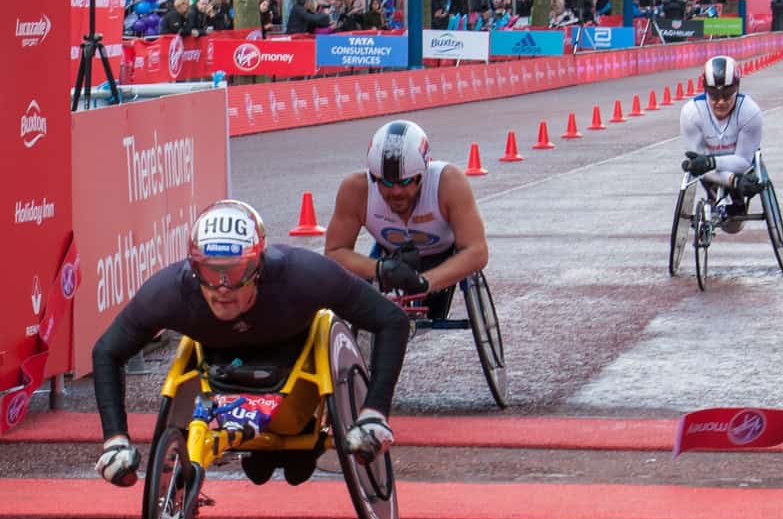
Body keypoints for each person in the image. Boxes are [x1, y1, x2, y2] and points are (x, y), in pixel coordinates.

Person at [92, 200, 410, 488]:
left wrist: (374, 412)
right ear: (193, 267)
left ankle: (294, 444)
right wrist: (115, 439)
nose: (222, 288)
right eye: (209, 272)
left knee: (295, 463)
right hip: (220, 366)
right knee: (260, 469)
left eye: (235, 272)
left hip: (295, 367)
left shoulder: (303, 275)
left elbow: (391, 320)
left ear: (257, 265)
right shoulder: (170, 292)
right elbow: (107, 351)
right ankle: (260, 449)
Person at [324, 120, 489, 323]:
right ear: (374, 176)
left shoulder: (449, 182)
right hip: (392, 259)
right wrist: (378, 269)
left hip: (443, 257)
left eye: (404, 181)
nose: (396, 191)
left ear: (422, 174)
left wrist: (424, 282)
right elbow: (334, 252)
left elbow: (477, 251)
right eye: (385, 182)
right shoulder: (356, 189)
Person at [680, 55, 764, 233]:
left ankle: (736, 202)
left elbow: (743, 160)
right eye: (714, 95)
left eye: (727, 95)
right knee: (699, 167)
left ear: (737, 88)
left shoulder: (750, 112)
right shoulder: (691, 113)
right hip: (710, 174)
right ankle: (715, 200)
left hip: (740, 169)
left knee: (734, 226)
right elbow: (698, 166)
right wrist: (720, 173)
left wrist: (715, 164)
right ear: (705, 90)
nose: (721, 102)